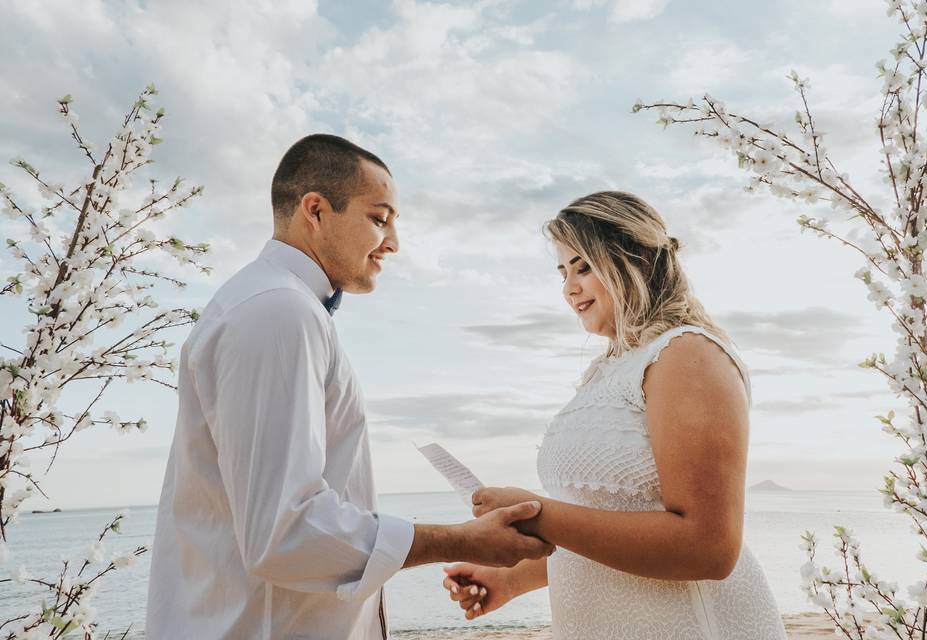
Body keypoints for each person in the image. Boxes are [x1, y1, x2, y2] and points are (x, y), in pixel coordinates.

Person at [145, 134, 553, 640]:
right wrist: (461, 540)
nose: (394, 243)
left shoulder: (276, 306)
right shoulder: (278, 312)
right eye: (379, 219)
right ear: (314, 210)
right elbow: (285, 530)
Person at [443, 191, 787, 639]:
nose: (570, 288)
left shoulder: (686, 354)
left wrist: (534, 512)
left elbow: (709, 547)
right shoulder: (608, 371)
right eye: (563, 272)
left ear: (637, 260)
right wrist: (513, 578)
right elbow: (605, 520)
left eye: (584, 267)